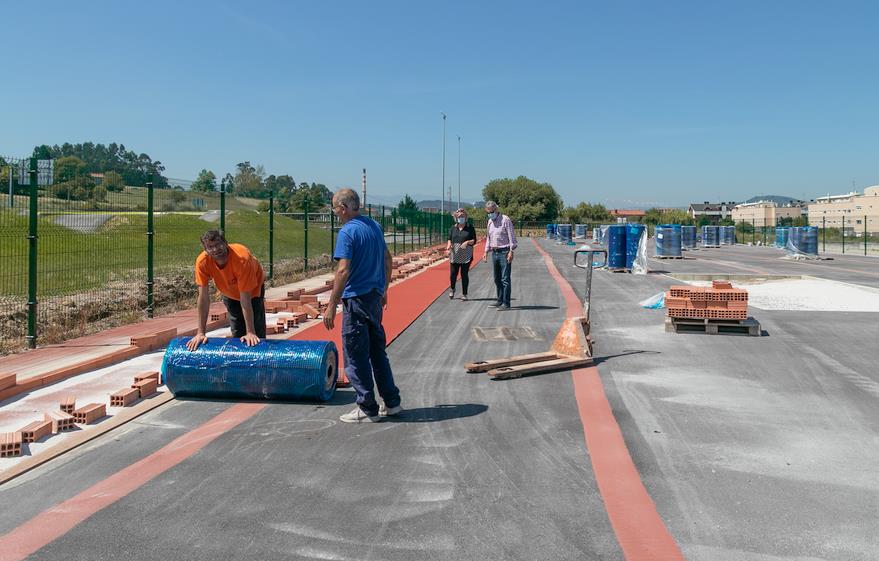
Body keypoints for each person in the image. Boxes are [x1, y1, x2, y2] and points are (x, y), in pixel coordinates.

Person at [323, 188, 402, 423]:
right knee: (377, 352)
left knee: (356, 354)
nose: (335, 213)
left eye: (335, 208)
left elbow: (343, 270)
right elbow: (388, 259)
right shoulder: (373, 226)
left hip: (356, 299)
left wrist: (331, 305)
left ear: (344, 208)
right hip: (374, 298)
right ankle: (392, 402)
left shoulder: (348, 232)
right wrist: (384, 290)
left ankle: (367, 407)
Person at [186, 230, 266, 351]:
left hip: (252, 290)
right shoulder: (202, 262)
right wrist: (200, 333)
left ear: (226, 243)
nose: (215, 250)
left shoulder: (241, 258)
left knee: (255, 329)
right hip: (228, 291)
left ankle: (260, 358)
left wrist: (250, 332)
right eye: (210, 247)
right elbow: (203, 298)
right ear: (205, 250)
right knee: (238, 328)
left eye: (218, 244)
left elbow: (245, 298)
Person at [482, 201, 517, 310]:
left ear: (496, 209)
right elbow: (489, 238)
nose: (490, 214)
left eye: (491, 212)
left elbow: (512, 237)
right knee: (497, 278)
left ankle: (506, 303)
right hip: (494, 252)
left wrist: (511, 251)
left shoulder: (505, 220)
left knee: (505, 278)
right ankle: (500, 300)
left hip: (504, 251)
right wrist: (485, 251)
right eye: (488, 212)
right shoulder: (490, 222)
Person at [446, 208, 477, 300]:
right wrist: (448, 245)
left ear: (466, 217)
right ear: (456, 217)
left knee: (464, 274)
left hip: (466, 254)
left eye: (462, 216)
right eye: (459, 216)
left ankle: (464, 294)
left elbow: (474, 240)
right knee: (453, 274)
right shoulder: (453, 228)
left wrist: (467, 242)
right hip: (454, 253)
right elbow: (449, 239)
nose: (461, 218)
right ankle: (452, 289)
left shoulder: (470, 227)